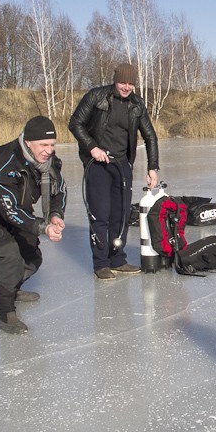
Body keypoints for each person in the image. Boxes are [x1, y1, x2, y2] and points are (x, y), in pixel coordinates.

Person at [0, 116, 67, 334]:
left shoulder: (50, 162)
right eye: (43, 145)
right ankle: (6, 313)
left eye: (52, 144)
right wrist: (42, 227)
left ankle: (11, 287)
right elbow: (9, 210)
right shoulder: (5, 162)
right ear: (28, 143)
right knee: (9, 255)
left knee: (32, 256)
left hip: (14, 208)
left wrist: (55, 214)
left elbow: (59, 190)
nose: (48, 150)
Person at [69, 62, 160, 280]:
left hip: (121, 165)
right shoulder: (96, 96)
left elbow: (150, 136)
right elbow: (75, 123)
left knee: (120, 216)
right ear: (115, 80)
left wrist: (152, 167)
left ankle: (117, 259)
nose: (126, 87)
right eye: (122, 82)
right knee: (100, 214)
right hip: (98, 165)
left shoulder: (136, 105)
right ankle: (101, 263)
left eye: (130, 83)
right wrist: (92, 148)